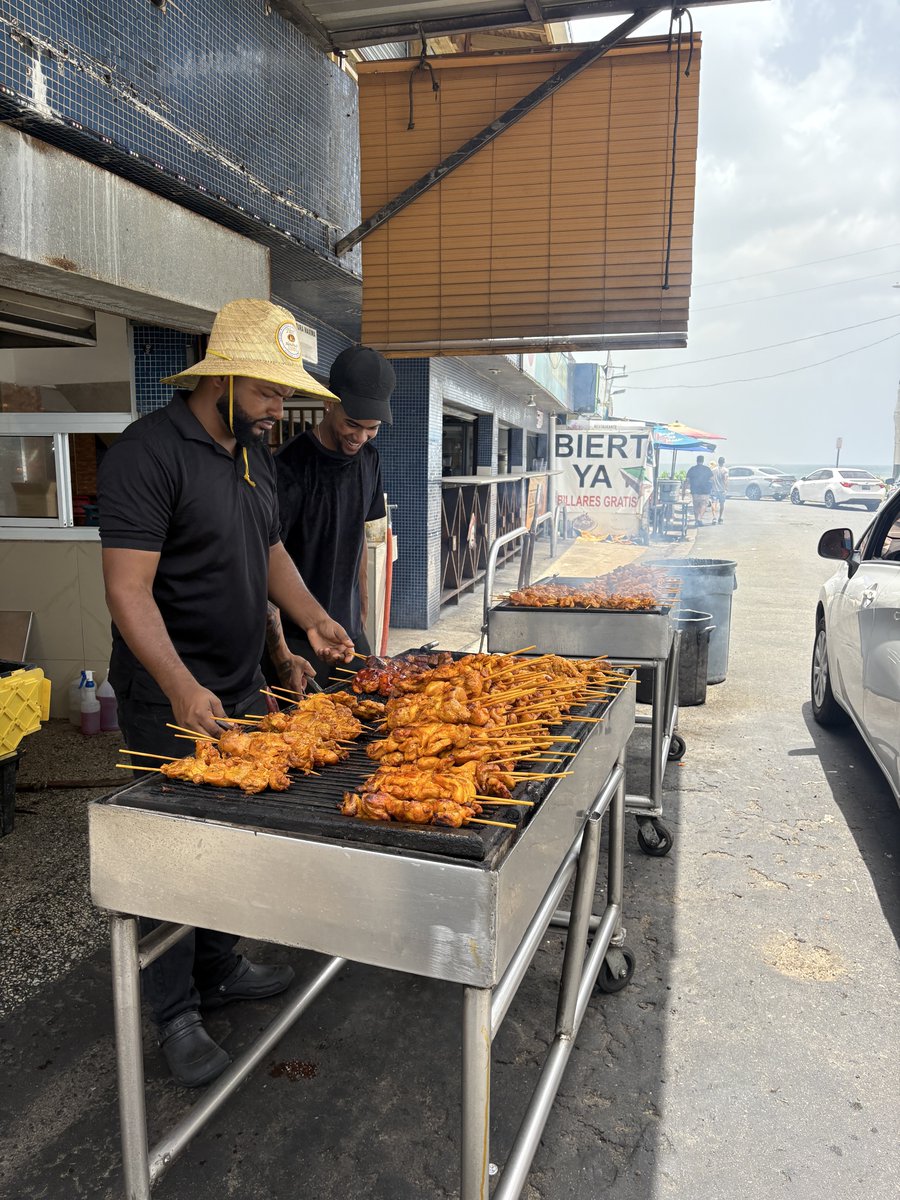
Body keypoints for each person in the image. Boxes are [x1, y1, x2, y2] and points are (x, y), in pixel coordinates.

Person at [98, 298, 355, 1088]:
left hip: (241, 688)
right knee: (171, 856)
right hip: (168, 699)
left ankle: (220, 966)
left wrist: (307, 625)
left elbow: (268, 549)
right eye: (271, 392)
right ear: (226, 378)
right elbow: (128, 591)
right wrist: (179, 686)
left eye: (285, 395)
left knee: (232, 842)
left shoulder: (252, 453)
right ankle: (174, 1011)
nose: (282, 407)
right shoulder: (148, 453)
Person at [270, 345, 394, 686]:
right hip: (299, 639)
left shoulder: (370, 460)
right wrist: (280, 652)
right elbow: (265, 561)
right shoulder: (288, 466)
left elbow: (361, 534)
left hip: (349, 632)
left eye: (372, 428)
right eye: (352, 424)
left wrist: (363, 606)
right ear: (328, 402)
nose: (360, 437)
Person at [684, 455, 714, 526]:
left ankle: (696, 519)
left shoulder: (692, 469)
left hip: (695, 491)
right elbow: (712, 479)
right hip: (705, 491)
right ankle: (699, 519)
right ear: (703, 461)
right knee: (704, 505)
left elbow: (687, 480)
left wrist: (684, 490)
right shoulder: (707, 469)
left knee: (696, 506)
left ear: (696, 460)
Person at [711, 456, 729, 524]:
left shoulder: (713, 470)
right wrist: (726, 488)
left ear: (718, 462)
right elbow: (725, 480)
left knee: (713, 503)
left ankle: (714, 517)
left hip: (714, 489)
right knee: (722, 504)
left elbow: (711, 479)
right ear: (723, 462)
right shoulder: (725, 470)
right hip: (722, 490)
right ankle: (720, 517)